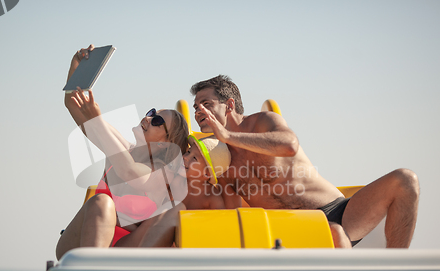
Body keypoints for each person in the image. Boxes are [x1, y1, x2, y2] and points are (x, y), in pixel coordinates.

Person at [190, 75, 419, 248]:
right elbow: (221, 204)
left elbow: (289, 145)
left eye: (206, 104)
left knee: (405, 180)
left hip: (339, 214)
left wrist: (228, 136)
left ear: (229, 105)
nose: (198, 111)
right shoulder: (216, 156)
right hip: (289, 233)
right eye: (195, 108)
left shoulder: (262, 122)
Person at [56, 45, 189, 259]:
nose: (147, 118)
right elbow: (73, 104)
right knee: (101, 203)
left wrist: (97, 122)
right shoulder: (119, 145)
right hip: (80, 243)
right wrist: (77, 69)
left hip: (125, 250)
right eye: (151, 112)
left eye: (156, 121)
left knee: (106, 202)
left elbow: (129, 171)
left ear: (165, 143)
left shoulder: (162, 173)